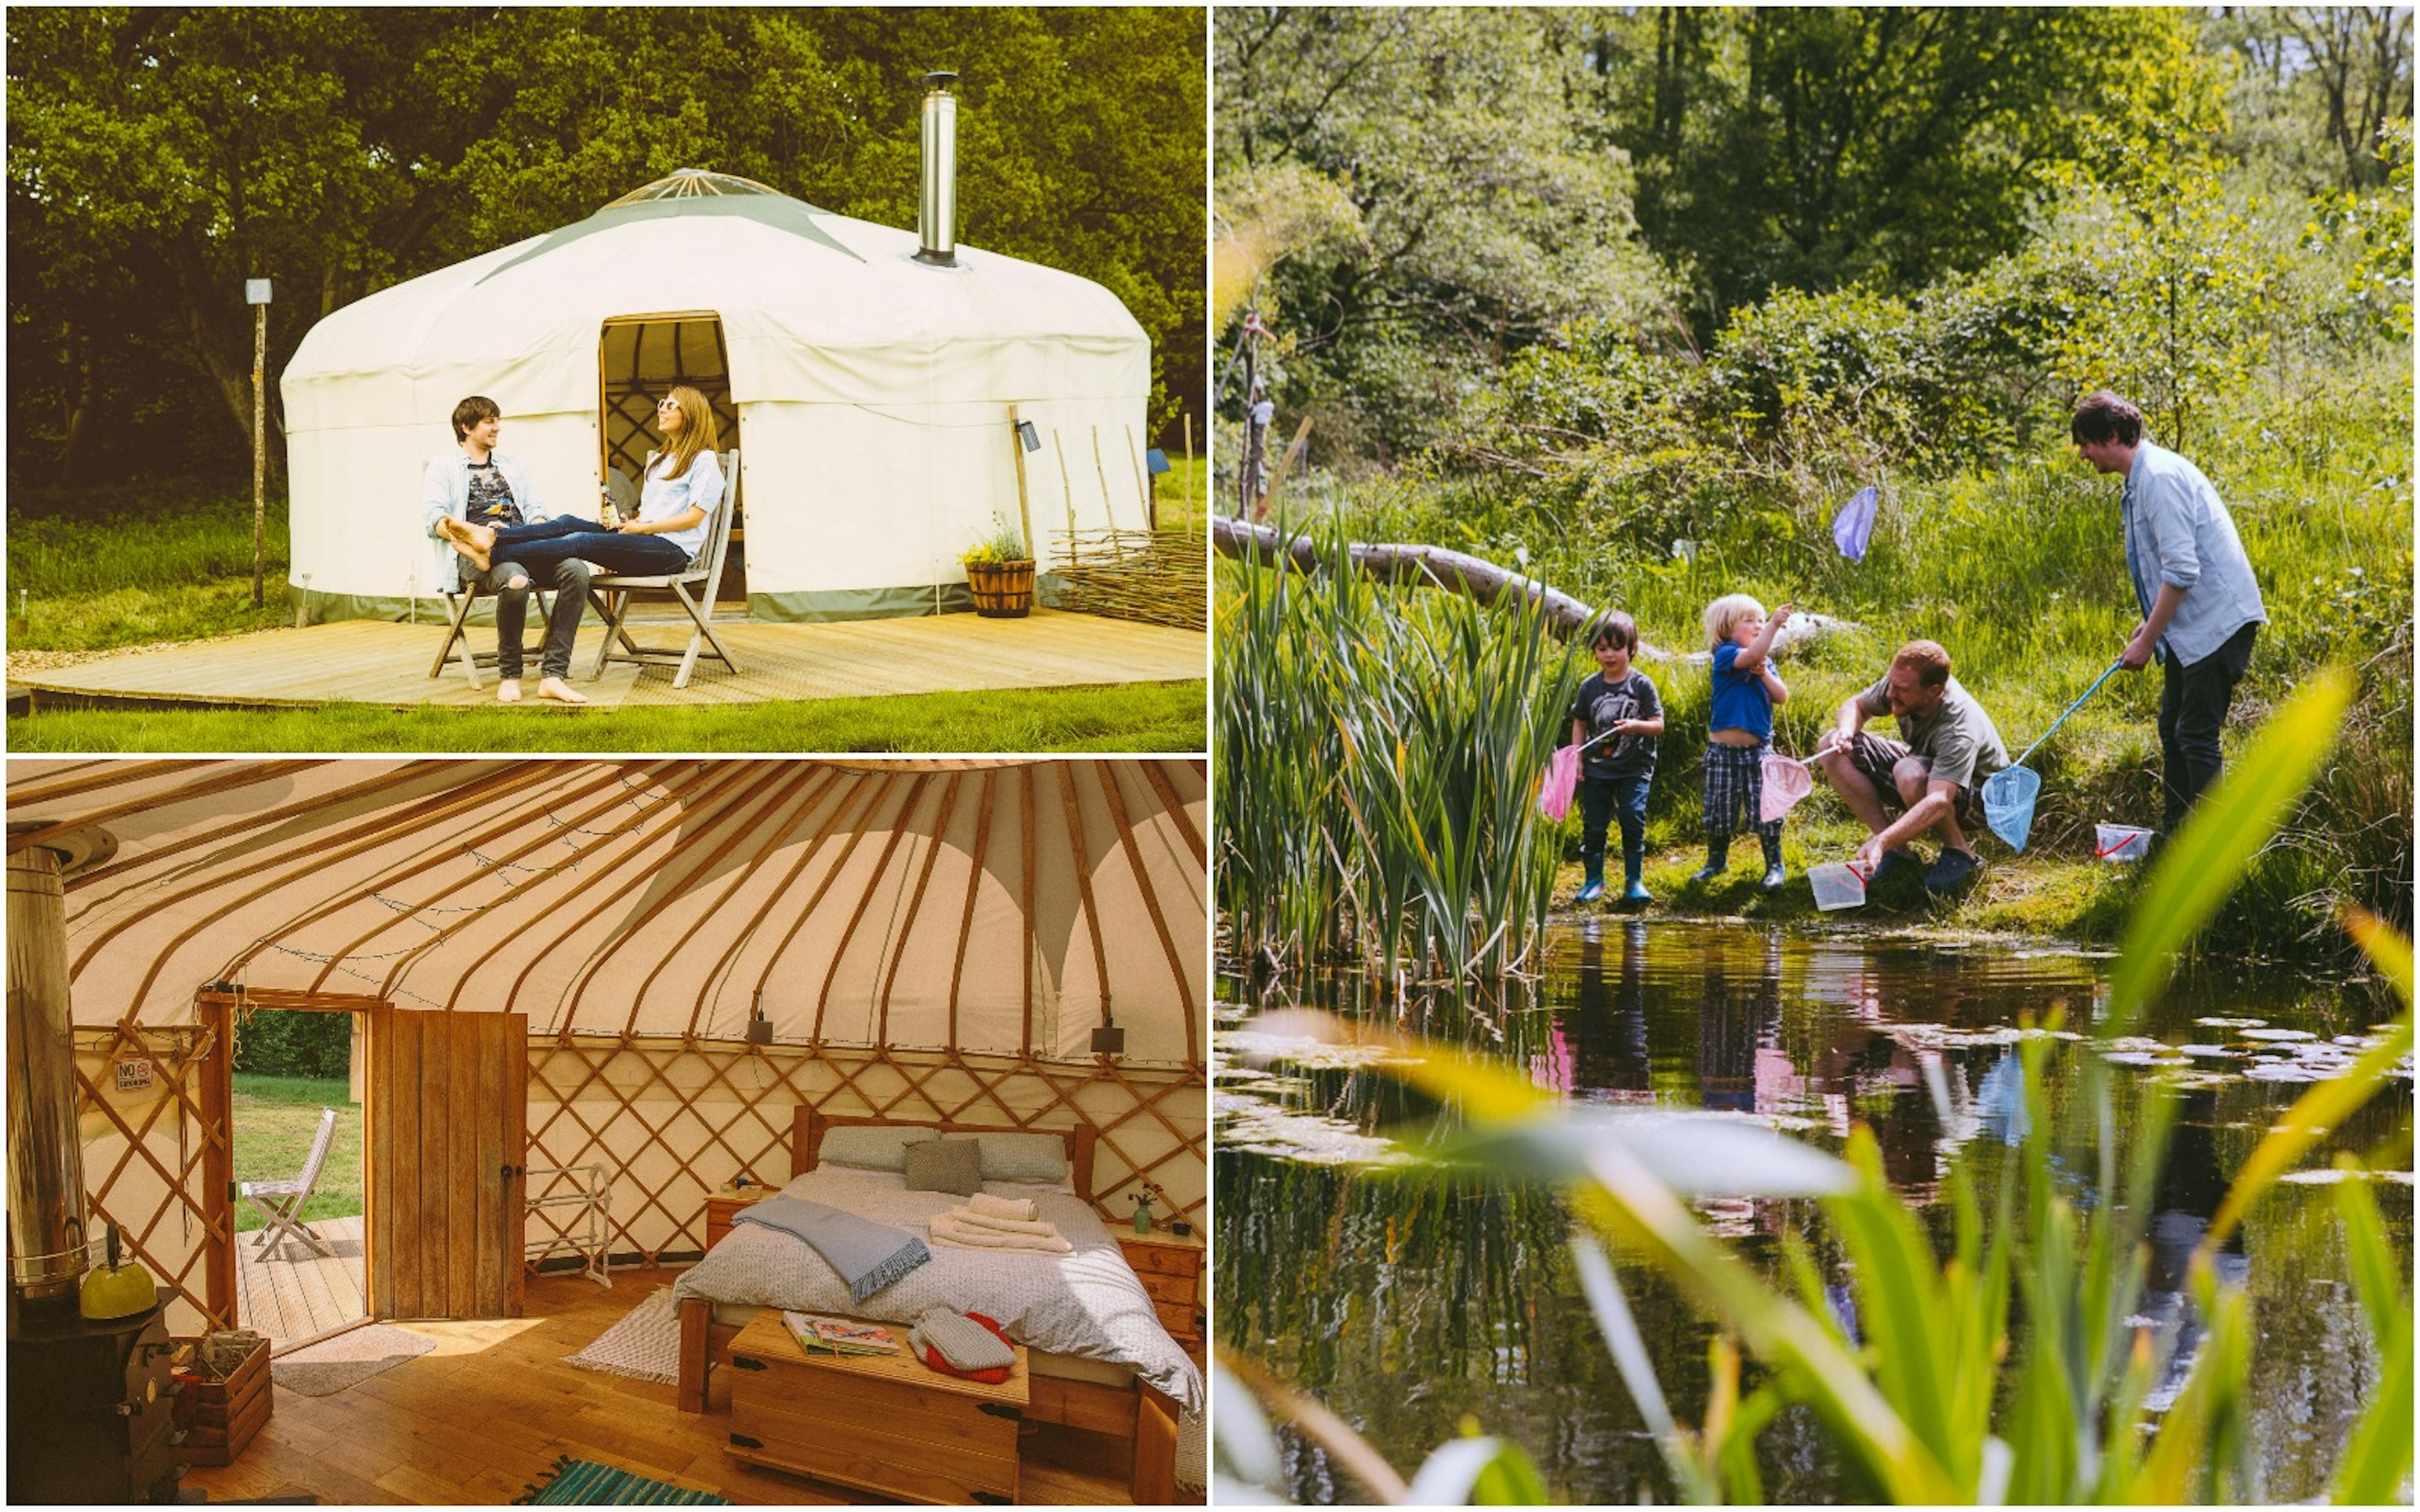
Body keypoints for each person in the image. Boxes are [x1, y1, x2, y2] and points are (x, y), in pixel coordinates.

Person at [2070, 391, 2267, 834]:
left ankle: (2212, 852)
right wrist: (2152, 623)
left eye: (2086, 442)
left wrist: (2146, 640)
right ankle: (2177, 835)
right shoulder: (2142, 478)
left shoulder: (2157, 477)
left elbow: (2182, 570)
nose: (2082, 453)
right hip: (2190, 625)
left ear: (2114, 435)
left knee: (2196, 735)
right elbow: (2169, 568)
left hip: (2217, 624)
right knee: (2172, 729)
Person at [437, 385, 725, 593]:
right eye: (661, 402)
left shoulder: (704, 460)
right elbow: (654, 515)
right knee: (567, 522)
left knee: (579, 540)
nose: (661, 408)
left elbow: (693, 519)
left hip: (670, 554)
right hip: (646, 541)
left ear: (691, 413)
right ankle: (493, 535)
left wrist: (642, 530)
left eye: (670, 405)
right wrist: (633, 524)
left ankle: (494, 553)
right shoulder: (661, 461)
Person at [420, 395, 593, 705]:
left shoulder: (512, 465)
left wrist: (538, 524)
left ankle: (553, 676)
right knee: (516, 580)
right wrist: (465, 531)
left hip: (524, 543)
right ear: (466, 426)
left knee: (577, 570)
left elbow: (536, 507)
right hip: (476, 557)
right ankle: (510, 675)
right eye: (489, 421)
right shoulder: (443, 466)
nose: (497, 428)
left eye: (497, 420)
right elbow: (434, 520)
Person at [1814, 639, 2010, 895]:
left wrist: (1880, 842)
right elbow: (1857, 705)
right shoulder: (1901, 684)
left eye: (1902, 689)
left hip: (1986, 796)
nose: (1891, 694)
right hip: (1928, 767)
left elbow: (1940, 800)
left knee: (1910, 773)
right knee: (1831, 747)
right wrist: (1846, 731)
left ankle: (1961, 855)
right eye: (1891, 684)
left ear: (1934, 691)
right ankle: (1898, 856)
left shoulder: (1959, 729)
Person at [1693, 594, 1792, 892]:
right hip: (1723, 753)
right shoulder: (1726, 654)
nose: (1759, 626)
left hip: (1758, 751)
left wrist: (1764, 675)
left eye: (1761, 620)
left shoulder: (1765, 662)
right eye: (1749, 621)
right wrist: (1775, 625)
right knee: (1720, 808)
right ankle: (1716, 860)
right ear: (1726, 629)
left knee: (1767, 808)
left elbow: (1782, 696)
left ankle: (1774, 864)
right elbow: (1748, 658)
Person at [1566, 610, 1664, 905]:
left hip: (1635, 768)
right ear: (1594, 651)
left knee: (1632, 817)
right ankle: (1593, 880)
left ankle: (1634, 880)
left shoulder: (1642, 685)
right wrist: (1578, 757)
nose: (1609, 655)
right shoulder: (1590, 687)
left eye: (1616, 648)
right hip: (1598, 769)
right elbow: (1580, 722)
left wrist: (1636, 726)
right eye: (1602, 648)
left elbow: (1658, 724)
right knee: (1594, 824)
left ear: (1632, 649)